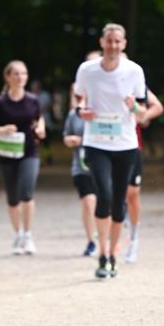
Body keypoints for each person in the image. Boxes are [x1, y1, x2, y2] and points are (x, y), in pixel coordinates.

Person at [73, 23, 148, 278]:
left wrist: (134, 108)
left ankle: (113, 255)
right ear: (102, 42)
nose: (113, 46)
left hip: (125, 144)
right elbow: (78, 98)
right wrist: (80, 111)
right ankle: (102, 252)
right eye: (109, 41)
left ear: (124, 44)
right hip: (96, 142)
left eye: (118, 41)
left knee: (118, 202)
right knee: (102, 195)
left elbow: (144, 111)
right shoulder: (87, 70)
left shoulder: (134, 71)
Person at [0, 60, 45, 254]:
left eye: (23, 74)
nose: (20, 77)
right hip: (7, 153)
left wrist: (41, 128)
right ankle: (18, 234)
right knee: (12, 198)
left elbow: (39, 118)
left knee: (26, 193)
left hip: (29, 152)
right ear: (8, 77)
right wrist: (3, 129)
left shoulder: (32, 100)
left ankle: (28, 235)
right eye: (16, 74)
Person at [124, 85, 164, 263]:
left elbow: (158, 106)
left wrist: (141, 115)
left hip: (132, 147)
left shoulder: (135, 83)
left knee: (132, 195)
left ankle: (133, 240)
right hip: (104, 147)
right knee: (106, 194)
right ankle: (104, 246)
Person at [63, 83, 97, 256]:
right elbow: (66, 137)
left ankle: (101, 232)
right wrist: (72, 140)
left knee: (102, 202)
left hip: (102, 163)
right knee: (88, 201)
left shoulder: (102, 110)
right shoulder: (73, 115)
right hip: (81, 166)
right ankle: (91, 241)